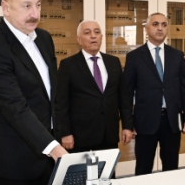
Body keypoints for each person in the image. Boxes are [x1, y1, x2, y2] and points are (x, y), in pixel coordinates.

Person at [0, 0, 67, 185]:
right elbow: (14, 107)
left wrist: (59, 136)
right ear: (6, 8)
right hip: (12, 160)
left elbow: (51, 94)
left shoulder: (43, 39)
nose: (35, 13)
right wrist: (54, 148)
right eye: (26, 6)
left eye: (38, 5)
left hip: (46, 155)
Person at [124, 12, 185, 175]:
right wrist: (128, 123)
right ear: (146, 29)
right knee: (143, 168)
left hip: (171, 121)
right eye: (155, 24)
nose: (160, 28)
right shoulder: (134, 57)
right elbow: (127, 93)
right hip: (144, 121)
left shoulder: (177, 55)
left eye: (164, 25)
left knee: (171, 167)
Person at [54, 20, 134, 153]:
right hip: (80, 137)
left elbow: (123, 98)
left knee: (108, 167)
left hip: (109, 134)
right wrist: (65, 132)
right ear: (79, 39)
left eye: (97, 32)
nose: (93, 36)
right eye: (87, 33)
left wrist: (127, 126)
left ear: (101, 37)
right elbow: (61, 102)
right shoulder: (68, 65)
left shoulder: (113, 62)